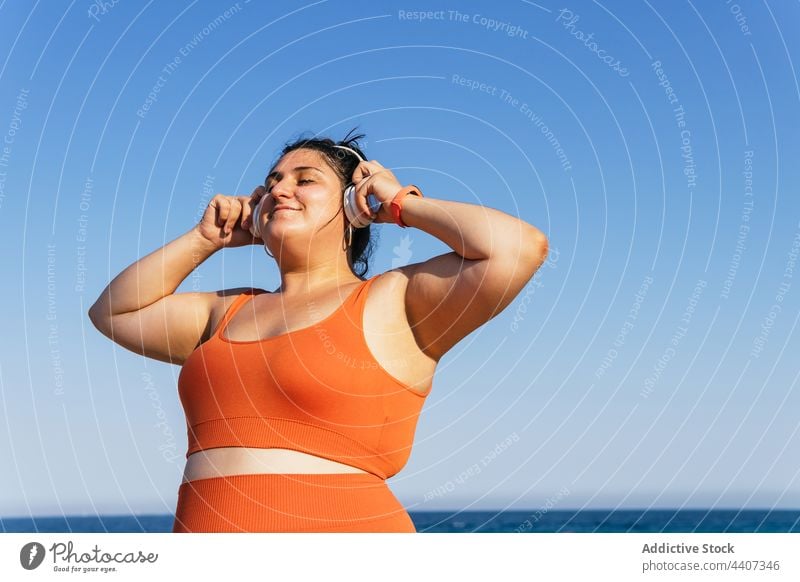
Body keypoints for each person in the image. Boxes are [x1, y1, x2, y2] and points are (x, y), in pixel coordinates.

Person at [88, 128, 549, 533]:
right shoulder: (225, 310)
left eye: (305, 180)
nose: (279, 190)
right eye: (272, 183)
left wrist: (397, 202)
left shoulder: (392, 299)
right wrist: (205, 240)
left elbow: (518, 248)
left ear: (353, 205)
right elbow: (114, 312)